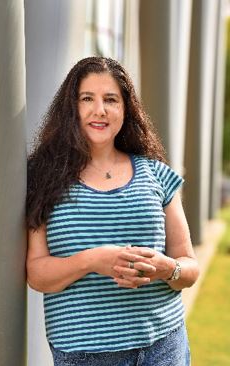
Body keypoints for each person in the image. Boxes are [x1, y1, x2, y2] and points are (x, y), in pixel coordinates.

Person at [26, 56, 199, 366]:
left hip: (164, 345)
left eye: (111, 100)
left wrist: (165, 268)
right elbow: (37, 274)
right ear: (72, 109)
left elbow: (189, 267)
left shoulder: (156, 173)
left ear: (125, 109)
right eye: (87, 99)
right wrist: (94, 260)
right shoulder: (43, 177)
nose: (100, 110)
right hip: (85, 353)